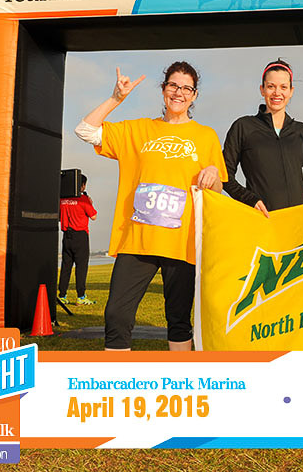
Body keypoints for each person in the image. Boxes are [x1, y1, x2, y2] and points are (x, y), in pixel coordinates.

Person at [75, 62, 227, 351]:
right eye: (173, 85)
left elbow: (216, 189)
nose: (179, 92)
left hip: (181, 242)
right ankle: (115, 377)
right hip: (138, 240)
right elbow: (85, 130)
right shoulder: (138, 129)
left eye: (186, 88)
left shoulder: (206, 136)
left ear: (194, 95)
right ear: (163, 89)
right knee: (116, 315)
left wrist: (213, 173)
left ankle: (181, 377)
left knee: (179, 320)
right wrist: (116, 99)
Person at [223, 59, 303, 215]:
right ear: (262, 90)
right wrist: (250, 200)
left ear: (291, 91)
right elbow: (224, 175)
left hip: (300, 221)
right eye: (271, 86)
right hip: (263, 221)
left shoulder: (302, 131)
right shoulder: (243, 127)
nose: (277, 93)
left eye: (283, 87)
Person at [58, 174, 98, 305]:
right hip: (80, 236)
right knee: (81, 267)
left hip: (66, 236)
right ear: (82, 185)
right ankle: (81, 296)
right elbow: (94, 216)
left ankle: (62, 295)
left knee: (66, 266)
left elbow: (59, 217)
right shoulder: (83, 199)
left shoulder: (62, 200)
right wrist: (90, 202)